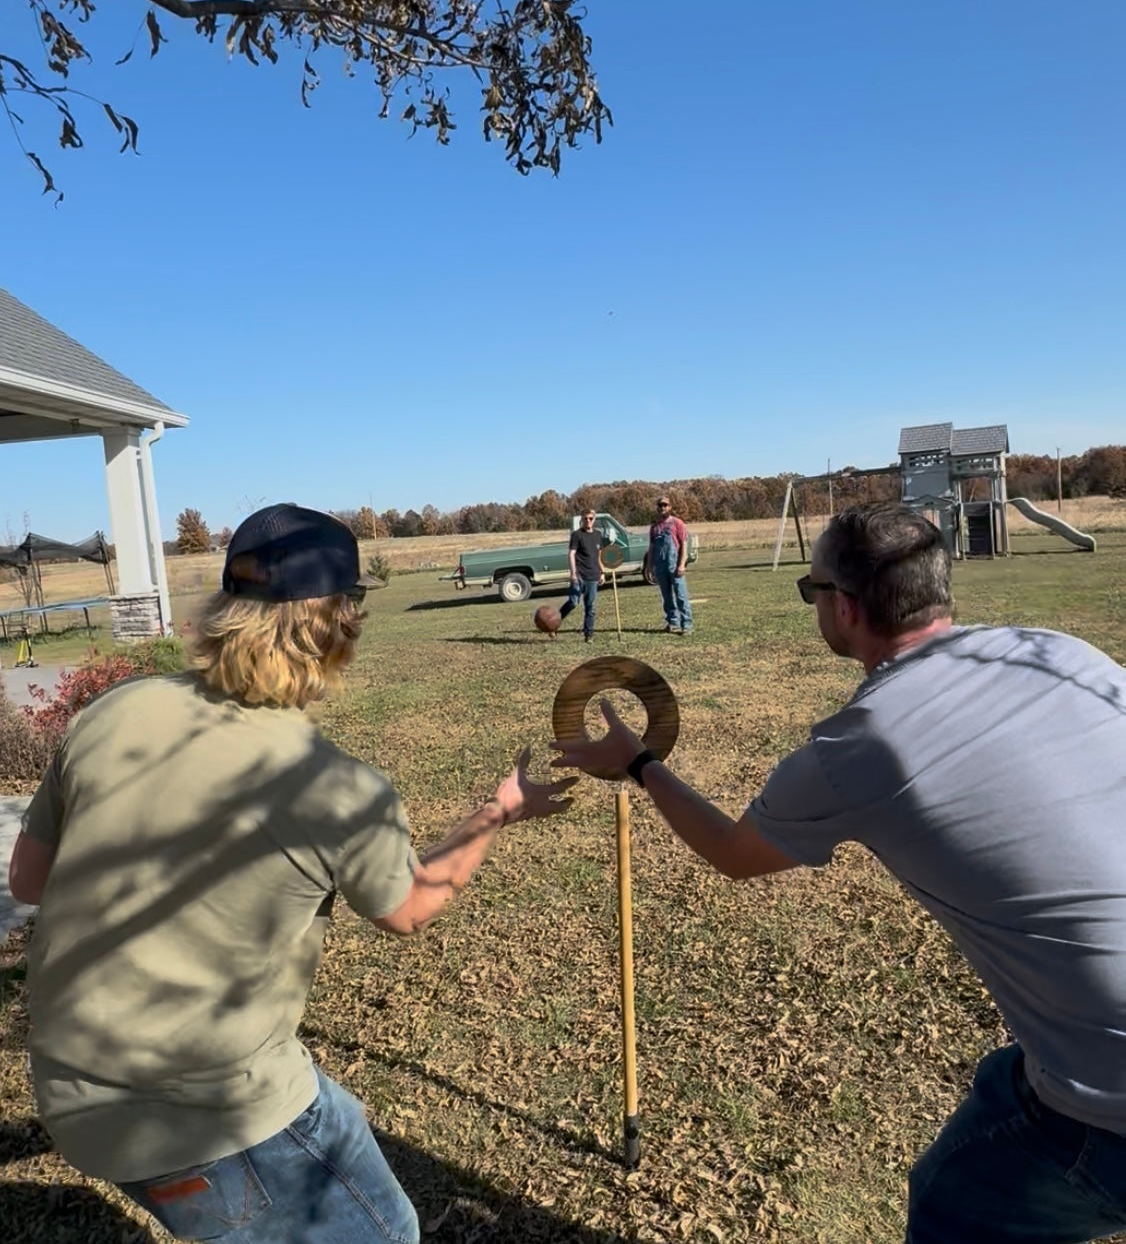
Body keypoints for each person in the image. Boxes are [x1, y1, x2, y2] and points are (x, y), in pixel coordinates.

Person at [553, 502, 1126, 1244]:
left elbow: (733, 852)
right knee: (1001, 1087)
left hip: (1107, 1098)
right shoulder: (1066, 653)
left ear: (845, 608)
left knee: (957, 1207)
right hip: (1085, 1051)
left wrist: (638, 763)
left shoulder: (860, 746)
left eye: (811, 588)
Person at [7, 503, 576, 1244]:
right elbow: (408, 907)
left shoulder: (112, 711)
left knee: (336, 1125)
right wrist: (499, 811)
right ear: (338, 625)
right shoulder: (338, 790)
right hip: (206, 1121)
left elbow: (26, 880)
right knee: (387, 1229)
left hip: (70, 1094)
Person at [557, 508, 606, 644]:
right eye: (585, 518)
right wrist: (573, 573)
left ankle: (588, 634)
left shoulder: (598, 535)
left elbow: (599, 556)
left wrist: (602, 572)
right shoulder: (577, 535)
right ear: (581, 520)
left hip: (593, 576)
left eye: (591, 518)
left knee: (590, 606)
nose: (588, 521)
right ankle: (554, 623)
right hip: (579, 575)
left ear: (594, 519)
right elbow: (571, 554)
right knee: (573, 602)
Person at [648, 494, 693, 634]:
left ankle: (686, 625)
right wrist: (650, 566)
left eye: (665, 505)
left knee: (681, 595)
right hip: (660, 566)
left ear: (670, 507)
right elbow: (651, 548)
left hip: (674, 565)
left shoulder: (677, 523)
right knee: (666, 597)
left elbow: (684, 545)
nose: (663, 507)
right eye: (660, 505)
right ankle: (672, 622)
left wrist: (681, 564)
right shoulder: (654, 527)